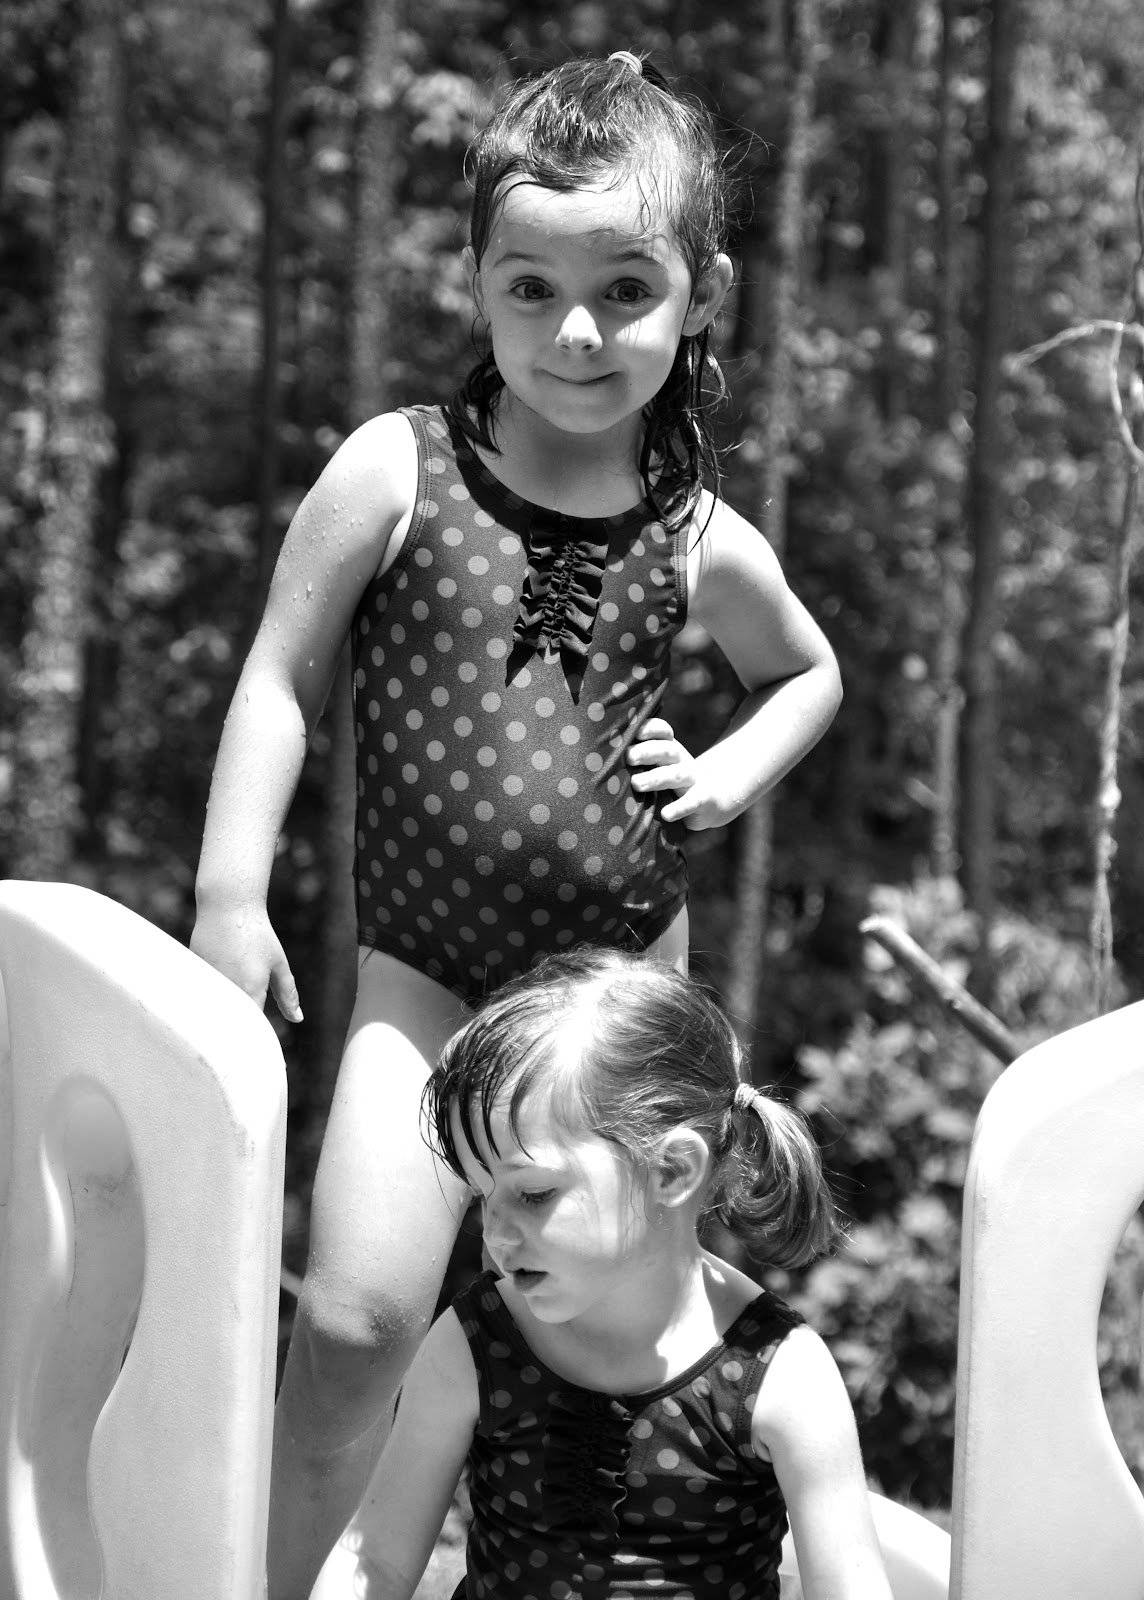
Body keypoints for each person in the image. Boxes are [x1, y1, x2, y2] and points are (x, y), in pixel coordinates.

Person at [190, 49, 843, 1600]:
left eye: (626, 289)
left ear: (704, 295)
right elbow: (279, 677)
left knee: (603, 1335)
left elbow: (808, 674)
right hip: (421, 981)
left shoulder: (695, 535)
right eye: (532, 287)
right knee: (356, 1321)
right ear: (476, 283)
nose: (577, 331)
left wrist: (731, 774)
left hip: (614, 1012)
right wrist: (227, 893)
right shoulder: (396, 470)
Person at [342, 948, 891, 1600]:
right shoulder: (474, 1347)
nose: (495, 1232)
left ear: (671, 1172)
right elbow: (376, 1563)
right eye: (482, 1195)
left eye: (533, 1193)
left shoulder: (777, 1374)